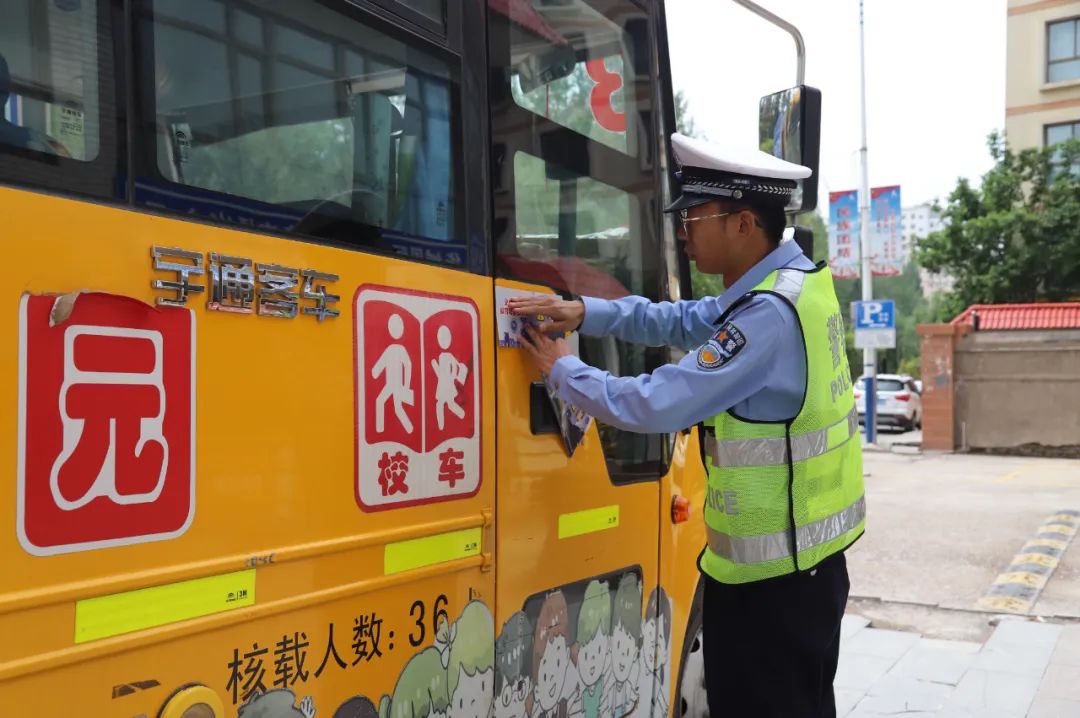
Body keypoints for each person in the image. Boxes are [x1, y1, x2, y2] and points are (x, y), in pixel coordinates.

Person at [510, 132, 865, 718]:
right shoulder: (792, 287)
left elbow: (654, 402)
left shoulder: (766, 319)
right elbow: (682, 320)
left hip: (770, 589)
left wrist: (561, 370)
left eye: (695, 218)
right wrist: (586, 311)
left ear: (743, 223)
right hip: (806, 573)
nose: (685, 233)